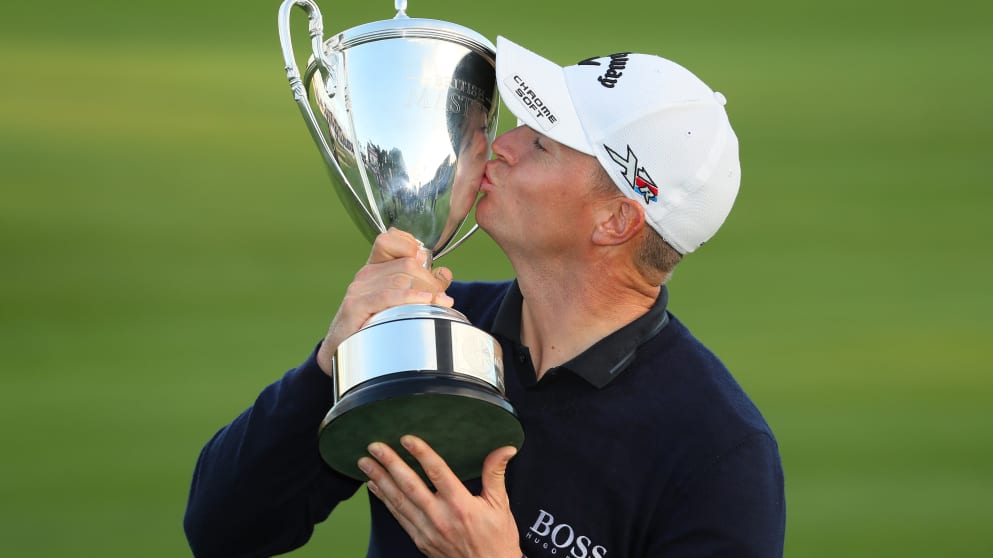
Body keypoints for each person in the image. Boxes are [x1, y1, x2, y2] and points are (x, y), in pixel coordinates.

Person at [184, 36, 786, 557]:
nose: (503, 143)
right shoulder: (434, 325)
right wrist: (329, 364)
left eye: (543, 142)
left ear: (615, 221)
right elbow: (222, 530)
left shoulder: (718, 452)